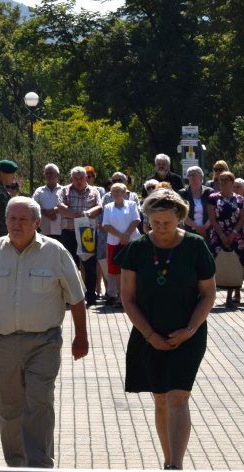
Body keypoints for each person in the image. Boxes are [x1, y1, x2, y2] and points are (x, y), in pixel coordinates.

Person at [0, 196, 89, 468]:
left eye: (23, 219)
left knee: (39, 404)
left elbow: (77, 298)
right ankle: (16, 464)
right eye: (12, 218)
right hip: (3, 344)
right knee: (9, 410)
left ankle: (39, 464)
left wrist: (82, 337)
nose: (16, 223)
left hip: (44, 343)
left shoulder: (55, 251)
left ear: (37, 222)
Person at [118, 188, 215, 470]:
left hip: (189, 334)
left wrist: (190, 329)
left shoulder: (196, 246)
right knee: (160, 398)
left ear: (180, 219)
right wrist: (149, 335)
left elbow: (208, 294)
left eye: (168, 223)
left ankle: (177, 466)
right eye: (155, 223)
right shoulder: (136, 250)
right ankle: (168, 460)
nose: (161, 229)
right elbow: (128, 298)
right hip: (148, 336)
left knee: (177, 396)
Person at [57, 166, 102, 306]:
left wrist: (86, 214)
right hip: (68, 232)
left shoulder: (95, 191)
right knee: (69, 265)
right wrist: (74, 215)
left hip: (87, 233)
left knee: (89, 265)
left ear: (86, 178)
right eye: (75, 178)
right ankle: (70, 295)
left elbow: (99, 207)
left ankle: (90, 295)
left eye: (81, 178)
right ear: (71, 179)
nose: (78, 181)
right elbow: (60, 206)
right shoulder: (64, 190)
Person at [98, 172, 140, 304]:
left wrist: (126, 235)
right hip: (114, 242)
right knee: (116, 271)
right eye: (113, 191)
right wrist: (121, 236)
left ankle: (134, 296)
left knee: (132, 268)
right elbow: (106, 225)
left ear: (125, 194)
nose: (115, 194)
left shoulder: (132, 204)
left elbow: (136, 220)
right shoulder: (108, 207)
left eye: (118, 191)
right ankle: (121, 298)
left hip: (131, 241)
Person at [206, 170, 244, 307]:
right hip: (218, 235)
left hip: (236, 236)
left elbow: (241, 219)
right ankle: (213, 294)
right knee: (219, 264)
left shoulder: (240, 199)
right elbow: (212, 218)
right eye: (220, 180)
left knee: (235, 264)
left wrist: (233, 233)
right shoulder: (213, 197)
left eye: (226, 180)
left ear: (233, 183)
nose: (222, 183)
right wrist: (222, 235)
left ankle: (233, 294)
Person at [178, 166, 213, 240]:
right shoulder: (182, 193)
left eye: (194, 175)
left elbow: (213, 212)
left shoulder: (209, 192)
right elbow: (183, 214)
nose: (192, 177)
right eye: (189, 175)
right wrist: (197, 228)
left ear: (201, 177)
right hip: (189, 231)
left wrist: (204, 228)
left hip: (207, 232)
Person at [32, 164, 63, 242]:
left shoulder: (64, 190)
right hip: (43, 230)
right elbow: (33, 207)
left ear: (57, 175)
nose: (48, 175)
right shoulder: (39, 191)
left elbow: (68, 206)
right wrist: (47, 213)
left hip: (60, 230)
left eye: (51, 173)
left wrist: (54, 210)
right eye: (46, 173)